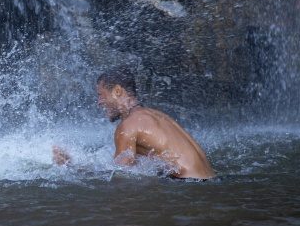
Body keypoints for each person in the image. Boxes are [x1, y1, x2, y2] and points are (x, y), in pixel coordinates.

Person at [54, 66, 216, 180]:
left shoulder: (128, 126)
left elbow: (120, 175)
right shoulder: (157, 115)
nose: (99, 102)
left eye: (101, 95)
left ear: (117, 91)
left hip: (190, 186)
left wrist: (73, 168)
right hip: (211, 181)